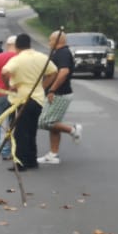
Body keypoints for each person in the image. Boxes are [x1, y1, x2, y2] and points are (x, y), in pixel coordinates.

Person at [1, 32, 54, 172]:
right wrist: (43, 86)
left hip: (20, 100)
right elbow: (54, 71)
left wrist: (9, 87)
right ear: (30, 44)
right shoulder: (41, 57)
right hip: (37, 99)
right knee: (31, 130)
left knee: (19, 133)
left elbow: (4, 72)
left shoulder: (17, 59)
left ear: (17, 47)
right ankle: (32, 160)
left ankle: (20, 162)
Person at [36, 29, 83, 165]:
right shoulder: (60, 52)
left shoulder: (63, 53)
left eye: (50, 40)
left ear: (57, 41)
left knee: (45, 122)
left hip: (60, 93)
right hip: (58, 93)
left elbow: (63, 72)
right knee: (53, 124)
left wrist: (52, 90)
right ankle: (53, 154)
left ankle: (73, 130)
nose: (49, 42)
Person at [0, 35, 18, 159]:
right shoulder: (19, 58)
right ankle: (7, 151)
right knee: (11, 122)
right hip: (14, 95)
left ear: (7, 45)